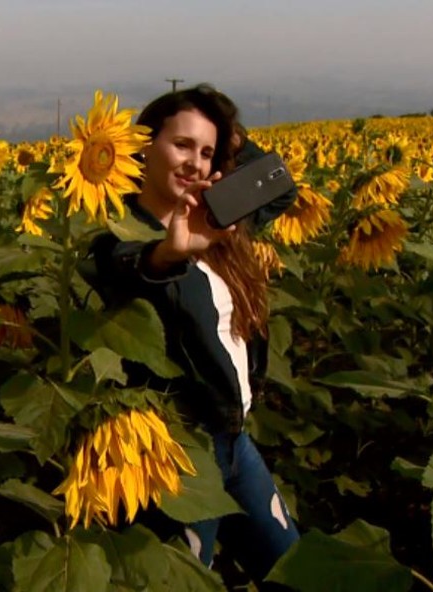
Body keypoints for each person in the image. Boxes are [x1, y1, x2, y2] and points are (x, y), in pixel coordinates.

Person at [86, 84, 299, 584]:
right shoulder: (120, 234)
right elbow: (127, 269)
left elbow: (281, 185)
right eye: (181, 145)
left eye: (206, 153)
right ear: (144, 145)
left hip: (234, 441)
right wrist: (169, 253)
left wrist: (223, 134)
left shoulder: (220, 221)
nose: (195, 163)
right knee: (185, 580)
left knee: (293, 569)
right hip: (179, 455)